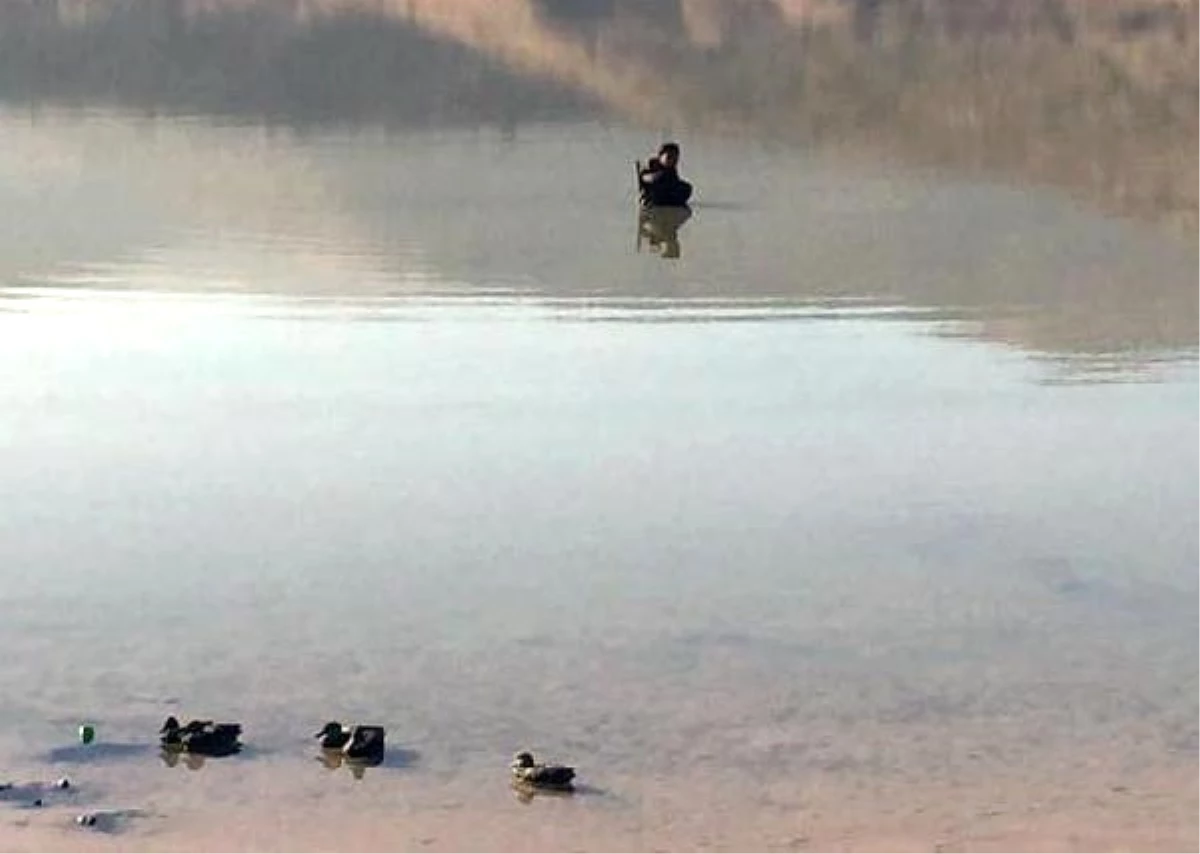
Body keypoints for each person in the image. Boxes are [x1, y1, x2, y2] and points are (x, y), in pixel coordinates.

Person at [638, 142, 693, 208]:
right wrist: (654, 177)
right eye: (669, 157)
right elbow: (644, 177)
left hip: (667, 196)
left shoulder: (671, 169)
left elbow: (675, 183)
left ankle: (676, 204)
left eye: (675, 159)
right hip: (652, 196)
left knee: (686, 187)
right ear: (660, 156)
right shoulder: (651, 165)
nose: (672, 161)